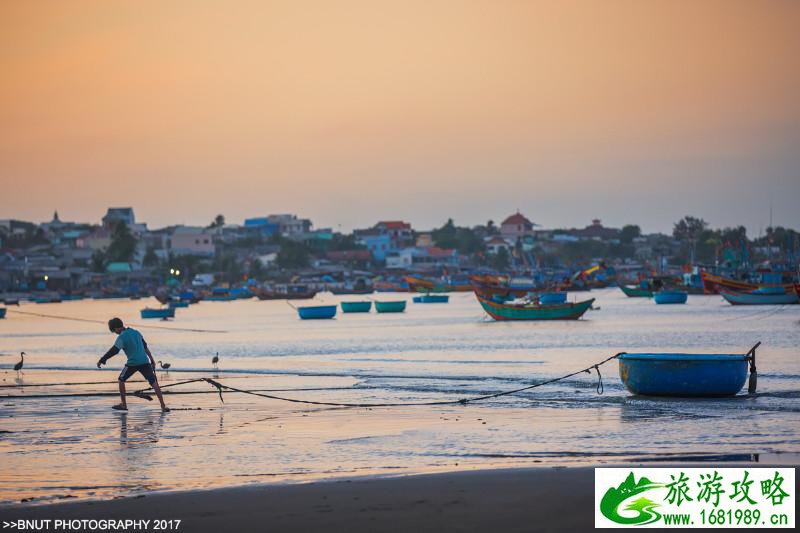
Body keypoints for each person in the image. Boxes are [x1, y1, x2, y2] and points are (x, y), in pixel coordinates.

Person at [97, 317, 169, 412]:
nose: (115, 333)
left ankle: (124, 404)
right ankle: (163, 406)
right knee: (154, 382)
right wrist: (152, 360)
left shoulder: (121, 337)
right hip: (145, 361)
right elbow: (145, 347)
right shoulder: (136, 332)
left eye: (114, 331)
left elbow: (114, 350)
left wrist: (102, 359)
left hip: (133, 363)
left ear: (116, 328)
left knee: (121, 380)